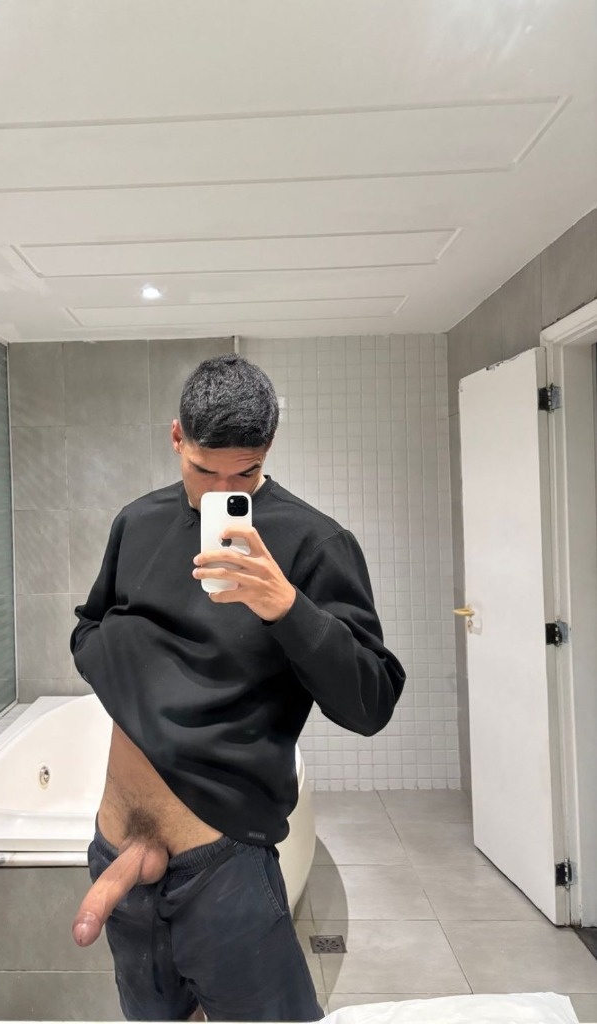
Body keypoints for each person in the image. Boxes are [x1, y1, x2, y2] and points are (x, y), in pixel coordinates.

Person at [69, 354, 405, 1022]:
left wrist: (288, 608)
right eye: (204, 471)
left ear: (268, 450)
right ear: (177, 439)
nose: (222, 489)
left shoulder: (314, 542)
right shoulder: (136, 522)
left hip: (223, 868)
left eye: (244, 473)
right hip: (119, 854)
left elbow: (371, 702)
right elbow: (89, 631)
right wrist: (154, 681)